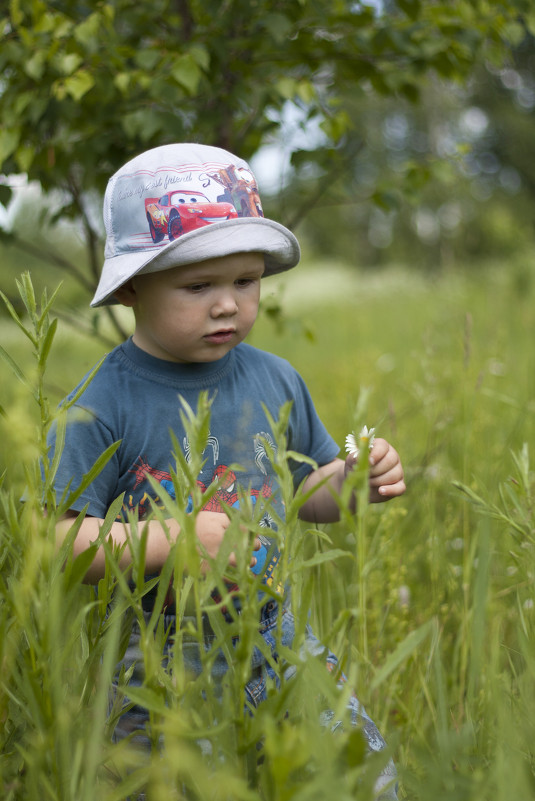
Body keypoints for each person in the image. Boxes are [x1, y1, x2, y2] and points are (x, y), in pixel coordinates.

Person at [51, 143, 405, 798]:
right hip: (157, 661)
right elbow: (65, 545)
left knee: (357, 775)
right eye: (197, 286)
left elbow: (302, 492)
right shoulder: (101, 405)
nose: (227, 305)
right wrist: (178, 538)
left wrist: (353, 481)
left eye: (245, 281)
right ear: (130, 286)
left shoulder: (275, 379)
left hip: (277, 639)